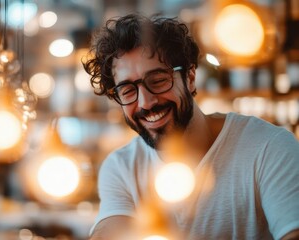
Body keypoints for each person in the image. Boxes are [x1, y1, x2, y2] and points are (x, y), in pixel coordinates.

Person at [82, 13, 299, 240]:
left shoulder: (270, 148)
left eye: (157, 81)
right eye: (127, 91)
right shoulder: (122, 166)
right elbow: (110, 232)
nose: (146, 102)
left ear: (190, 77)